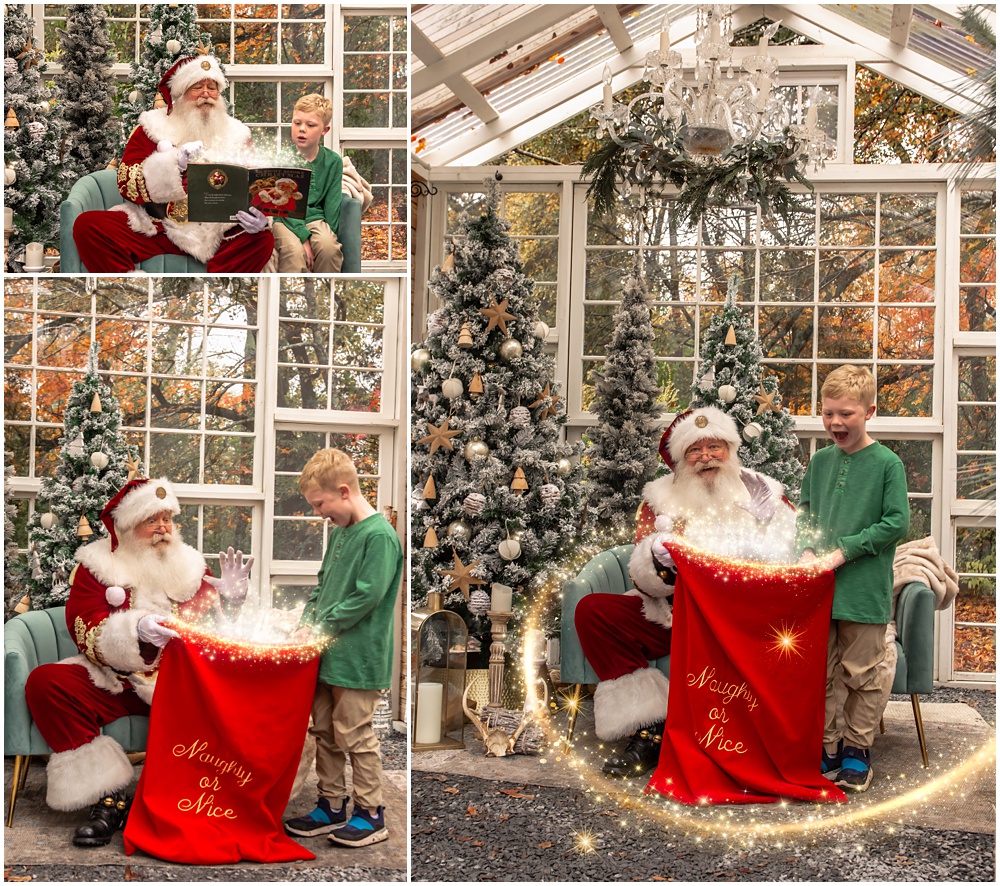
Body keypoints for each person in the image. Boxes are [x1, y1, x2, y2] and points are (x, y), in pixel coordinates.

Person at [24, 478, 252, 846]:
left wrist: (233, 602)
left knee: (236, 695)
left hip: (180, 685)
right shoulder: (97, 566)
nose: (163, 527)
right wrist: (136, 633)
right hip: (117, 680)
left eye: (168, 519)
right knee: (47, 682)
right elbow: (85, 627)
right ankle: (106, 798)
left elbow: (217, 639)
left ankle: (187, 799)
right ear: (128, 526)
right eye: (152, 519)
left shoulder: (191, 566)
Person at [575, 406, 796, 778]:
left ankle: (752, 739)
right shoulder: (659, 500)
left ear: (731, 448)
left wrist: (764, 540)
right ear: (680, 458)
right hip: (676, 615)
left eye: (715, 446)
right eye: (694, 449)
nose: (706, 457)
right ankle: (650, 728)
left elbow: (792, 552)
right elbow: (640, 576)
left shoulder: (764, 492)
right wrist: (660, 561)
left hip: (741, 620)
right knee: (593, 611)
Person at [797, 365, 909, 792]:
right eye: (828, 414)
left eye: (846, 413)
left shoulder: (887, 464)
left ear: (870, 411)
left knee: (861, 675)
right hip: (818, 590)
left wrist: (844, 550)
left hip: (863, 591)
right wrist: (806, 550)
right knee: (819, 675)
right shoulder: (821, 462)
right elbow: (804, 514)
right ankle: (826, 748)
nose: (836, 423)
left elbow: (897, 523)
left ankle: (856, 752)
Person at [283, 449, 403, 847]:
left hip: (359, 657)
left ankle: (371, 815)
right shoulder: (340, 533)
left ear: (344, 491)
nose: (320, 513)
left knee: (355, 734)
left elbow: (365, 598)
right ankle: (331, 805)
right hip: (326, 653)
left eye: (321, 504)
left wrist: (321, 626)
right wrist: (306, 627)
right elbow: (322, 586)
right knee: (324, 732)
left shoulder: (381, 537)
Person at [72, 54, 273, 273]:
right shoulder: (152, 126)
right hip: (159, 227)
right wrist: (173, 165)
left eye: (212, 87)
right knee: (88, 225)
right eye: (197, 87)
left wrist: (260, 218)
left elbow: (255, 184)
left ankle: (213, 290)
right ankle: (127, 283)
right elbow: (126, 181)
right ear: (181, 93)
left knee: (262, 240)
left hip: (218, 234)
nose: (206, 93)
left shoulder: (238, 134)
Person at [263, 94, 344, 273]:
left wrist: (326, 236)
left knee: (328, 248)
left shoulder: (333, 162)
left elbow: (332, 206)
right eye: (297, 123)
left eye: (310, 125)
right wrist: (305, 240)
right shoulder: (282, 159)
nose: (302, 129)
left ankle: (323, 292)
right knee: (294, 251)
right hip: (284, 219)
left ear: (325, 130)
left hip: (315, 219)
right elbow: (283, 207)